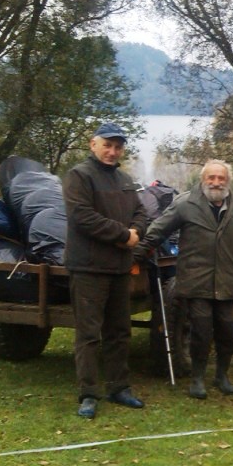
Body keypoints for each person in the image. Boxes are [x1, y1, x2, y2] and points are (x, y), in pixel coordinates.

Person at [138, 159, 233, 399]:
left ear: (228, 181)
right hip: (196, 281)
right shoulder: (185, 204)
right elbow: (158, 230)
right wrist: (136, 254)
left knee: (227, 331)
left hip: (228, 283)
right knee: (201, 331)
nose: (216, 182)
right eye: (211, 177)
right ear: (203, 180)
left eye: (221, 178)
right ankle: (197, 378)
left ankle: (222, 375)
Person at [63, 122, 148, 419]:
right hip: (88, 268)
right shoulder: (79, 176)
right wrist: (123, 235)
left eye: (118, 147)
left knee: (119, 331)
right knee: (89, 334)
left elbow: (141, 211)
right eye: (107, 145)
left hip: (120, 268)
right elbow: (82, 216)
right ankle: (88, 394)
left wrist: (136, 230)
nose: (112, 152)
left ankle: (118, 387)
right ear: (93, 144)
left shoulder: (125, 179)